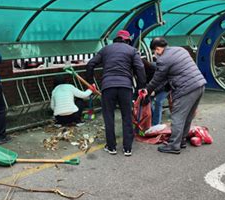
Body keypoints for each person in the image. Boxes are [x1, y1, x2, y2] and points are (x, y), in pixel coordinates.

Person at [86, 29, 146, 157]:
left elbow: (90, 64)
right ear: (127, 40)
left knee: (109, 116)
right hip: (125, 87)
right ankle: (127, 148)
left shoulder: (105, 50)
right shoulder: (132, 50)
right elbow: (140, 68)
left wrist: (91, 82)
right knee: (127, 117)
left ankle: (111, 147)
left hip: (108, 87)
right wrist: (141, 87)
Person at [141, 37, 206, 154]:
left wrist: (147, 90)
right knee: (188, 116)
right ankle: (181, 141)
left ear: (158, 49)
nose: (155, 55)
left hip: (187, 88)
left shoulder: (164, 59)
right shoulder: (180, 50)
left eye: (154, 52)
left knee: (177, 117)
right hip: (200, 85)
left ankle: (174, 145)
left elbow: (157, 79)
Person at [143, 57, 170, 126]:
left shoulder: (156, 69)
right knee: (148, 100)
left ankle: (156, 123)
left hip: (166, 87)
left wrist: (155, 91)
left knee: (158, 101)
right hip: (155, 88)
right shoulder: (144, 71)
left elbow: (164, 83)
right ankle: (153, 119)